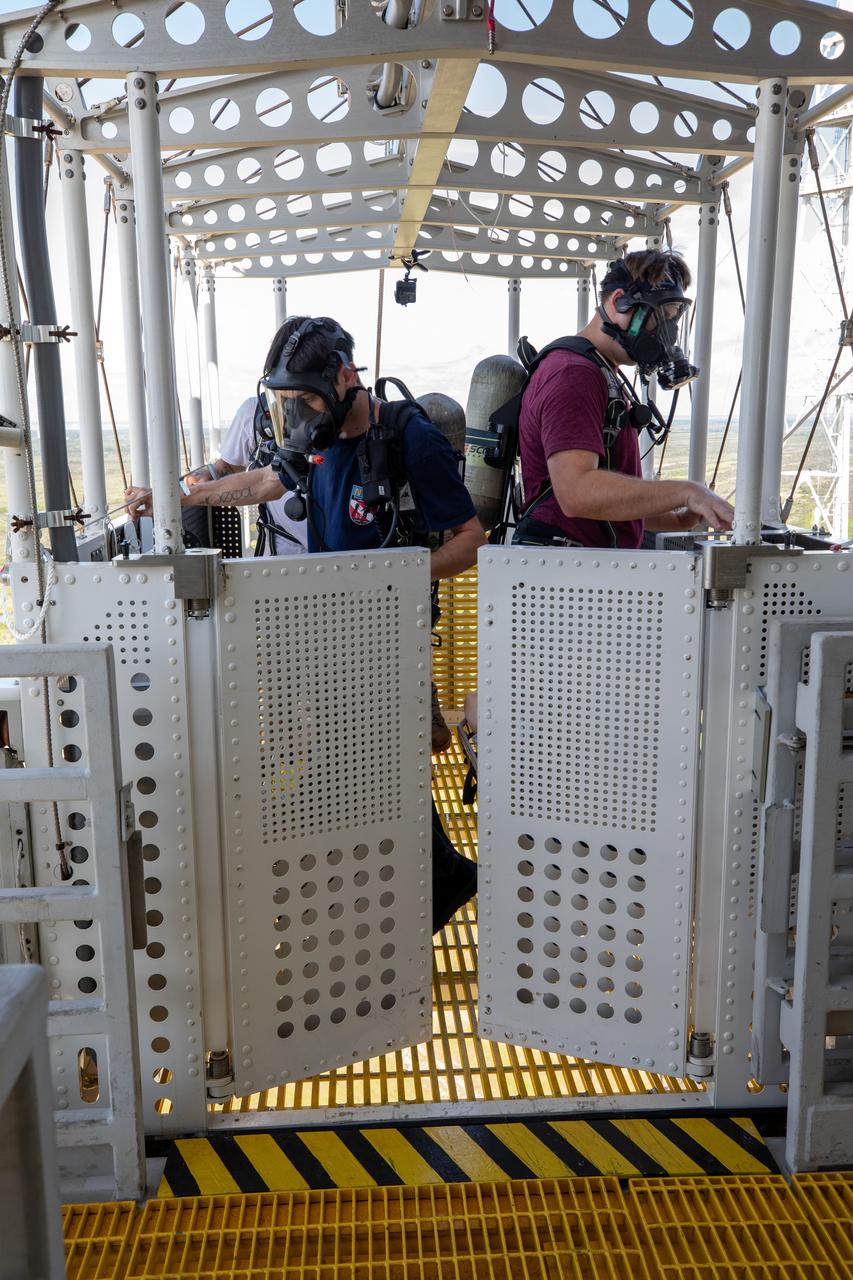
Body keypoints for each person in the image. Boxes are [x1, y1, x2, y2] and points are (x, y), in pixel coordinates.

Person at [126, 316, 485, 933]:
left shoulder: (410, 438)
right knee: (366, 766)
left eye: (306, 399)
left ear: (347, 377)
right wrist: (182, 497)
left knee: (366, 765)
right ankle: (421, 880)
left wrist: (395, 576)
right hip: (327, 635)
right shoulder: (314, 440)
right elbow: (268, 480)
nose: (295, 414)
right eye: (286, 401)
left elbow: (471, 540)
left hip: (383, 638)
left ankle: (408, 890)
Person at [515, 249, 734, 548]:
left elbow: (607, 506)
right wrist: (687, 491)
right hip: (566, 577)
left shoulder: (599, 372)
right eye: (659, 318)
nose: (666, 335)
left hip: (580, 572)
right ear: (620, 302)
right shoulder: (574, 374)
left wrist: (679, 518)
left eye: (672, 321)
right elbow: (576, 492)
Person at [183, 395, 307, 554]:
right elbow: (230, 466)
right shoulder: (255, 411)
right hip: (286, 552)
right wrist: (208, 476)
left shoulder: (344, 415)